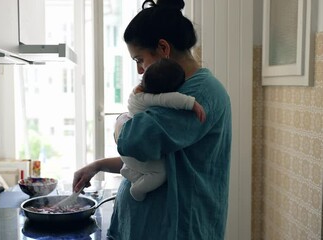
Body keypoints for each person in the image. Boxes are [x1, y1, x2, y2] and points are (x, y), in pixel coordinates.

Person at [73, 0, 232, 239]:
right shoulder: (174, 91)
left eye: (139, 59)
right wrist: (99, 165)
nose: (140, 70)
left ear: (163, 48)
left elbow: (134, 142)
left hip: (177, 229)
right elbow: (151, 157)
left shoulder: (198, 93)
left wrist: (120, 122)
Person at [115, 57, 206, 202]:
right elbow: (169, 99)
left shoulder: (137, 93)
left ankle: (129, 171)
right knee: (160, 172)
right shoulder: (147, 98)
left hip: (126, 152)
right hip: (131, 152)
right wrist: (192, 103)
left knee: (143, 167)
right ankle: (137, 188)